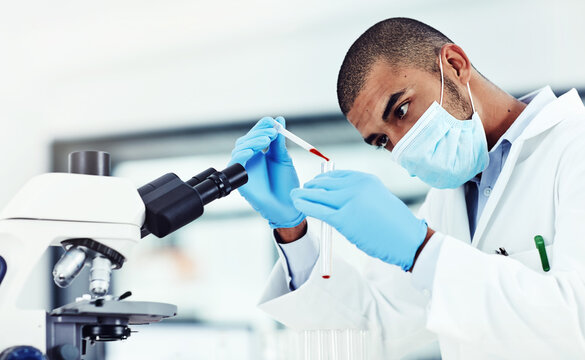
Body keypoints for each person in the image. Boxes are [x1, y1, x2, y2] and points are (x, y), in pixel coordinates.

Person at [229, 17, 585, 359]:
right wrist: (292, 229)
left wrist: (424, 250)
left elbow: (577, 323)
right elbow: (374, 328)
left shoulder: (574, 147)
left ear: (455, 65)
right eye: (382, 140)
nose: (402, 146)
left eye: (401, 109)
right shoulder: (448, 200)